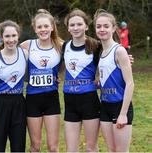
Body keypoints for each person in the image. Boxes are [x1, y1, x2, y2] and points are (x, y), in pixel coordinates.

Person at [20, 9, 63, 152]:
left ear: (52, 27)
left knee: (53, 147)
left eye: (46, 26)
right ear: (34, 28)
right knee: (35, 146)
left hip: (51, 99)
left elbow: (83, 55)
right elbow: (7, 56)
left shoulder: (60, 46)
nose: (43, 29)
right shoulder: (27, 45)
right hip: (32, 99)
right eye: (39, 27)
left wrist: (122, 58)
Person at [93, 9, 134, 152]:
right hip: (104, 106)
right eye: (98, 26)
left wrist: (123, 114)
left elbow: (130, 83)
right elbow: (104, 78)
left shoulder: (119, 51)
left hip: (120, 106)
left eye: (106, 26)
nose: (102, 29)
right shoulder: (100, 51)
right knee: (111, 150)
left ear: (113, 28)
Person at [0, 20, 28, 152]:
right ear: (1, 37)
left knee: (18, 147)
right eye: (7, 36)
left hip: (19, 104)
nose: (11, 39)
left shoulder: (25, 54)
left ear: (18, 36)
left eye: (14, 35)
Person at [62, 9, 100, 152]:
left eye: (79, 24)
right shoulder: (65, 46)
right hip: (70, 101)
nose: (76, 28)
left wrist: (126, 59)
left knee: (91, 148)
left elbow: (111, 59)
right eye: (72, 25)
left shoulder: (96, 45)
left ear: (86, 26)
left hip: (89, 100)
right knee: (71, 149)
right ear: (68, 27)